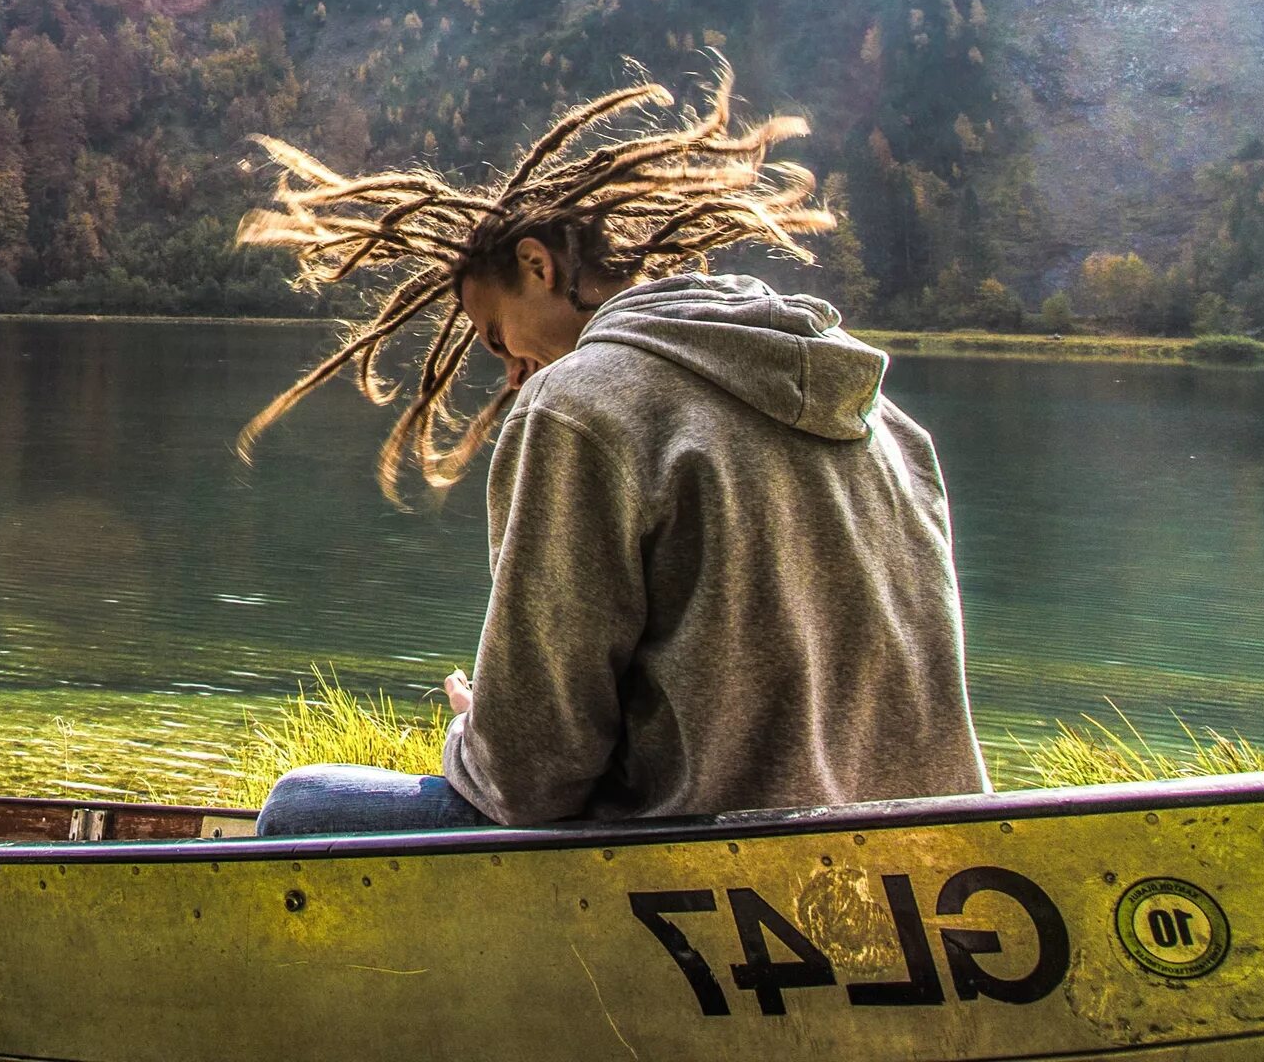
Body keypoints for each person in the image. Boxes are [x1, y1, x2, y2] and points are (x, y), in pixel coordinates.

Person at [235, 64, 988, 835]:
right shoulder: (885, 417)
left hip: (711, 868)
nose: (514, 369)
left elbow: (530, 780)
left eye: (499, 336)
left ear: (538, 264)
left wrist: (473, 732)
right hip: (924, 857)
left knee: (299, 809)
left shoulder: (578, 407)